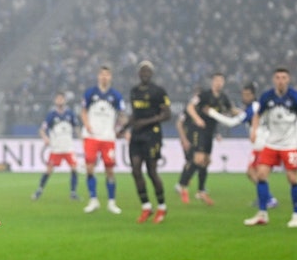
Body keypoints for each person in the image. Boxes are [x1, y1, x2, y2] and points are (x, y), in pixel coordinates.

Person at [243, 67, 297, 228]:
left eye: (284, 77)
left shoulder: (296, 97)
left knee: (292, 179)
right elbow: (257, 115)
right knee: (261, 175)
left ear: (288, 79)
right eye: (277, 77)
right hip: (271, 144)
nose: (280, 80)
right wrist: (254, 131)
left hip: (290, 145)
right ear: (273, 79)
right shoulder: (267, 96)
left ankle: (296, 215)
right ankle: (262, 214)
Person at [204, 81, 278, 210]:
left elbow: (231, 123)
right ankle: (264, 197)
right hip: (259, 145)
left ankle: (269, 199)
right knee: (251, 173)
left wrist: (212, 113)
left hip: (263, 145)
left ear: (254, 95)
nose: (245, 97)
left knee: (256, 173)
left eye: (248, 94)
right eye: (243, 94)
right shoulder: (255, 107)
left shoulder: (253, 107)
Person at [122, 61, 171, 224]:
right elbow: (134, 115)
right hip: (136, 135)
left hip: (152, 135)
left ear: (152, 73)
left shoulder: (158, 91)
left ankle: (162, 207)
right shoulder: (134, 91)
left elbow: (167, 115)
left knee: (151, 172)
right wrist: (123, 128)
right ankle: (146, 206)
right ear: (138, 73)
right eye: (142, 71)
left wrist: (147, 122)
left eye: (148, 71)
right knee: (135, 170)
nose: (145, 73)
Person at [174, 72, 232, 206]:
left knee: (205, 161)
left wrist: (242, 114)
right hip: (198, 132)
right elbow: (189, 108)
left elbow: (230, 110)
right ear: (213, 82)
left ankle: (200, 190)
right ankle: (182, 185)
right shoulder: (204, 95)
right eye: (216, 80)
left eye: (221, 81)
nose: (218, 83)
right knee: (197, 159)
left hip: (209, 132)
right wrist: (197, 119)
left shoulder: (223, 98)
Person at [80, 65, 125, 214]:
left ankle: (112, 202)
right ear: (98, 76)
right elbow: (83, 111)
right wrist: (87, 125)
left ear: (110, 77)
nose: (104, 77)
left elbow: (122, 115)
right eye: (102, 74)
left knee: (110, 170)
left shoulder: (116, 96)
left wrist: (119, 128)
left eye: (107, 75)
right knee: (89, 168)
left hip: (108, 137)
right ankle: (93, 199)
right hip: (91, 136)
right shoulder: (90, 93)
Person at [33, 92, 80, 201]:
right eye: (58, 99)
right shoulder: (51, 115)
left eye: (61, 99)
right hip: (56, 149)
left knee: (74, 168)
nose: (60, 101)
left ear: (64, 100)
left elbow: (77, 127)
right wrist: (45, 138)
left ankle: (73, 193)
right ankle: (39, 190)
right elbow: (42, 130)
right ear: (55, 101)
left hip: (68, 147)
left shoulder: (70, 114)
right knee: (49, 170)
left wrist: (82, 138)